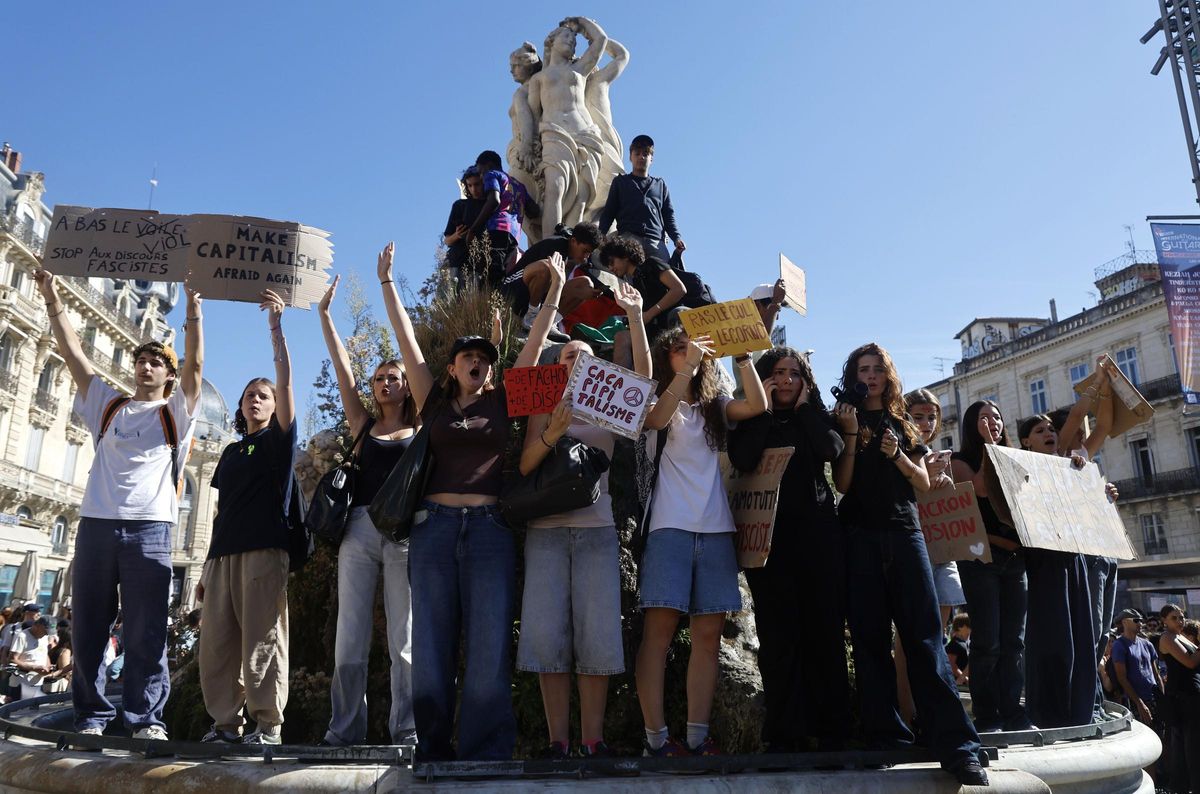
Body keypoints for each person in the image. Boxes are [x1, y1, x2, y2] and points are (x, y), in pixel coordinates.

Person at [379, 241, 562, 762]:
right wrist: (389, 283)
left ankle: (484, 752)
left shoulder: (507, 399)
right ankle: (432, 748)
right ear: (453, 367)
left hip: (489, 530)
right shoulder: (431, 399)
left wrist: (550, 293)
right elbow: (406, 341)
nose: (476, 363)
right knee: (432, 649)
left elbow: (536, 343)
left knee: (488, 649)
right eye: (467, 358)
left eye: (483, 357)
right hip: (433, 529)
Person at [34, 267, 202, 741]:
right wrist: (51, 296)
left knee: (147, 632)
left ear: (168, 374)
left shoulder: (174, 415)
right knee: (88, 626)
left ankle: (145, 720)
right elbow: (73, 353)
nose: (145, 366)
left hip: (150, 529)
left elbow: (197, 372)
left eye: (156, 361)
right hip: (95, 526)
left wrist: (193, 310)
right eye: (141, 359)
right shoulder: (107, 405)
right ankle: (90, 716)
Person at [832, 343, 986, 786]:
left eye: (878, 368)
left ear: (889, 374)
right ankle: (886, 737)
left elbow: (923, 484)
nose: (872, 376)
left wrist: (896, 453)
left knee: (924, 639)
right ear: (853, 374)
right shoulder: (844, 416)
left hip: (905, 534)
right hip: (858, 537)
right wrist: (848, 437)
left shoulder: (903, 421)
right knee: (869, 640)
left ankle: (958, 746)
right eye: (863, 369)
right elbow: (842, 485)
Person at [515, 281, 650, 759]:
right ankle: (558, 742)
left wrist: (634, 315)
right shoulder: (540, 399)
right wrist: (551, 430)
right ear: (557, 364)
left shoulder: (607, 402)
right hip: (546, 533)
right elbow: (526, 466)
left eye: (585, 356)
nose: (576, 362)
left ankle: (593, 741)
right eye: (569, 355)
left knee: (596, 638)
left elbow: (643, 382)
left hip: (597, 531)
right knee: (547, 637)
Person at [635, 329, 768, 757]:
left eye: (693, 349)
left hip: (715, 530)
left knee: (708, 639)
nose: (688, 353)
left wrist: (743, 358)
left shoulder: (714, 406)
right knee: (659, 636)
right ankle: (656, 739)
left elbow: (756, 405)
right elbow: (654, 419)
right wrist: (687, 369)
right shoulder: (660, 399)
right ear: (666, 356)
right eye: (677, 348)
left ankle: (696, 736)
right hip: (669, 529)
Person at [726, 347, 848, 752]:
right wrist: (761, 410)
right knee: (778, 638)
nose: (785, 380)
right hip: (769, 544)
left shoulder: (814, 417)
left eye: (794, 374)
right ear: (764, 378)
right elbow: (742, 458)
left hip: (817, 538)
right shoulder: (749, 418)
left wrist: (806, 408)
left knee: (824, 633)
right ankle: (786, 733)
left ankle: (833, 729)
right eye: (777, 373)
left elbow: (832, 449)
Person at [317, 275, 419, 748]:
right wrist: (325, 316)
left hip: (404, 532)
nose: (383, 384)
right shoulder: (362, 425)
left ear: (405, 386)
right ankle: (344, 730)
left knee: (405, 639)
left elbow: (419, 360)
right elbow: (343, 373)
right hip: (358, 531)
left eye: (391, 378)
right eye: (378, 379)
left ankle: (407, 729)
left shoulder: (421, 430)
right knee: (349, 638)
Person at [197, 289, 295, 746]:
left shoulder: (277, 443)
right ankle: (224, 725)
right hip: (222, 557)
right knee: (216, 645)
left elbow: (286, 381)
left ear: (275, 407)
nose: (254, 400)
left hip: (263, 550)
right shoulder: (232, 451)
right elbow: (218, 511)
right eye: (248, 395)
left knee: (262, 640)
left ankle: (267, 726)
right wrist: (204, 567)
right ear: (239, 407)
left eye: (263, 395)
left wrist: (275, 329)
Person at [950, 400, 1033, 734]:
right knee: (988, 642)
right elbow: (981, 490)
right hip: (980, 560)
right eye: (984, 418)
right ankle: (987, 716)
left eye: (997, 417)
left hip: (1016, 561)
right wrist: (988, 447)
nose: (993, 423)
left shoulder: (1014, 459)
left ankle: (1014, 711)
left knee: (1014, 641)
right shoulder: (960, 461)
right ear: (972, 425)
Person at [1017, 413, 1105, 729]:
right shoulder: (1020, 470)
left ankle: (1079, 709)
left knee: (1081, 634)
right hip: (1043, 561)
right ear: (1026, 441)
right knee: (1052, 638)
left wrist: (1100, 494)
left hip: (1073, 557)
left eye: (1052, 429)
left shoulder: (1072, 467)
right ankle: (1049, 712)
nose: (1049, 433)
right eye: (1040, 431)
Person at [893, 388, 963, 727]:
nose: (925, 423)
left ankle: (935, 712)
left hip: (942, 552)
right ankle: (910, 713)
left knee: (938, 635)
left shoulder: (933, 454)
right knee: (909, 638)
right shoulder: (899, 452)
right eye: (918, 416)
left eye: (931, 416)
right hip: (913, 549)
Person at [598, 134, 685, 261]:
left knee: (664, 276)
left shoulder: (660, 185)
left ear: (651, 159)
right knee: (628, 276)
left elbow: (668, 216)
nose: (641, 157)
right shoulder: (620, 182)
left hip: (655, 241)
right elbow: (609, 212)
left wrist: (676, 238)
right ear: (630, 157)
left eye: (645, 154)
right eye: (637, 153)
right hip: (628, 237)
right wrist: (601, 235)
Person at [499, 221, 602, 327]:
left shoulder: (570, 256)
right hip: (512, 292)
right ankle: (531, 317)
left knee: (585, 284)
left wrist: (582, 292)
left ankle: (549, 323)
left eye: (589, 253)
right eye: (584, 251)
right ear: (573, 241)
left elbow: (553, 288)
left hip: (535, 297)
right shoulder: (554, 245)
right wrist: (576, 291)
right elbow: (549, 283)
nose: (586, 256)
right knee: (547, 267)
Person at [467, 150, 539, 286]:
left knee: (492, 272)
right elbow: (534, 211)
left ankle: (491, 302)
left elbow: (494, 200)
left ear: (488, 165)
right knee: (505, 272)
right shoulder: (518, 185)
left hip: (497, 229)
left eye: (481, 172)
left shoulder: (492, 175)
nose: (481, 177)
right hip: (514, 236)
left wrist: (473, 229)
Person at [598, 234, 686, 337]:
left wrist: (649, 314)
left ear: (625, 256)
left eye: (612, 262)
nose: (611, 268)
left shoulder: (652, 263)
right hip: (658, 331)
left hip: (676, 322)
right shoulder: (634, 282)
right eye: (608, 266)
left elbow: (679, 289)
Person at [1158, 604, 1200, 794]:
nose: (1180, 621)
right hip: (1182, 698)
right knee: (1190, 746)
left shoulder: (1180, 636)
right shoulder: (1167, 638)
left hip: (1191, 694)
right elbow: (1190, 662)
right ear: (1164, 621)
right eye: (1174, 618)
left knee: (1190, 744)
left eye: (1181, 617)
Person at [1111, 608, 1165, 726]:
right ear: (1125, 622)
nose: (1141, 623)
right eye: (1136, 620)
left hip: (1154, 697)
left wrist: (1163, 697)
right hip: (1135, 700)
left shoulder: (1147, 643)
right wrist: (1140, 704)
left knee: (1162, 734)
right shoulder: (1119, 645)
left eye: (1141, 620)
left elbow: (1156, 674)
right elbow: (1122, 678)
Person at [442, 166, 487, 294]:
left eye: (477, 184)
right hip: (457, 261)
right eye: (470, 185)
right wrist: (458, 235)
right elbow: (447, 241)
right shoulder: (460, 206)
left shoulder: (490, 205)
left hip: (479, 263)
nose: (474, 189)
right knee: (455, 302)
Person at [8, 616, 53, 701]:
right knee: (18, 712)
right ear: (37, 625)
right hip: (21, 682)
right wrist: (34, 668)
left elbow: (44, 653)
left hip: (38, 682)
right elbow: (12, 659)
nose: (46, 634)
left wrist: (48, 666)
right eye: (45, 631)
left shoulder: (45, 638)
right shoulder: (22, 636)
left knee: (33, 712)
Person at [44, 621, 73, 694]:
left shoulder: (54, 649)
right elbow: (64, 672)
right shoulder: (65, 651)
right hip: (57, 685)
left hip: (48, 684)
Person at [946, 614, 971, 686]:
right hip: (957, 683)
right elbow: (951, 664)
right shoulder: (955, 644)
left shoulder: (962, 644)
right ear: (960, 627)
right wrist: (964, 678)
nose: (971, 630)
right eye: (969, 627)